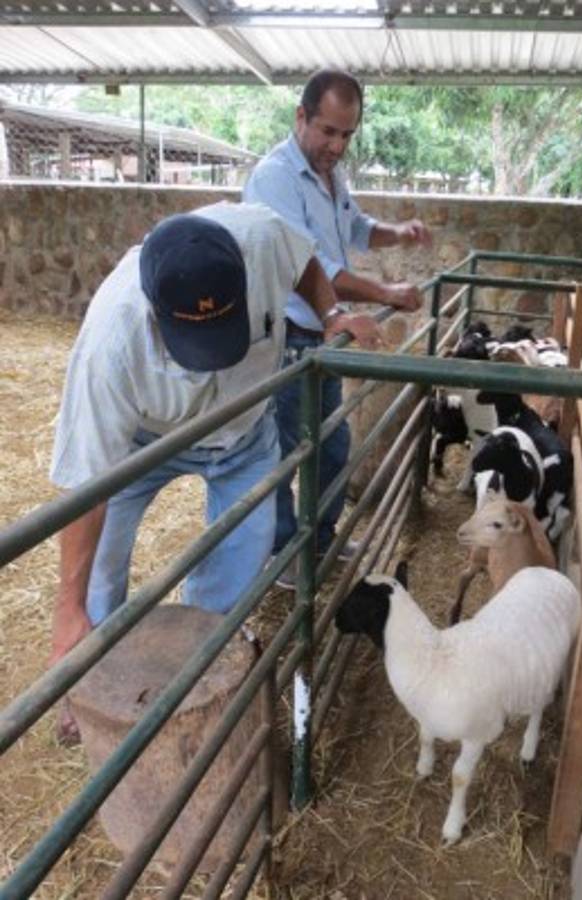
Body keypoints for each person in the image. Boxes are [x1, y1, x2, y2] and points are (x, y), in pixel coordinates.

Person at [49, 204, 380, 743]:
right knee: (100, 571)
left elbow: (305, 265)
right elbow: (87, 482)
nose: (213, 358)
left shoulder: (263, 237)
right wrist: (68, 607)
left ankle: (195, 677)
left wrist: (333, 314)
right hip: (146, 442)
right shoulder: (111, 341)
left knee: (234, 562)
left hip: (244, 433)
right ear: (154, 310)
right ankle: (90, 681)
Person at [243, 67, 433, 588]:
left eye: (347, 134)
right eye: (328, 131)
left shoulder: (329, 174)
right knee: (284, 448)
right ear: (301, 116)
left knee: (329, 443)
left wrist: (399, 233)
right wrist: (384, 294)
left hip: (318, 334)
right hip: (285, 335)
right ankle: (285, 553)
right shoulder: (275, 178)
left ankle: (320, 537)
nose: (337, 145)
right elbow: (308, 267)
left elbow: (353, 226)